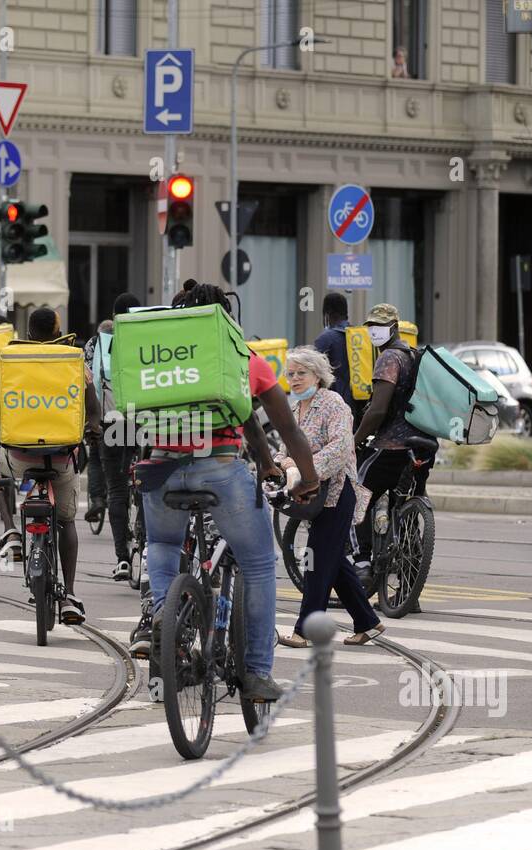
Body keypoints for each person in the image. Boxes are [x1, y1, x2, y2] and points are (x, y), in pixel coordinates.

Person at [136, 282, 320, 702]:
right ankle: (256, 671)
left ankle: (168, 623)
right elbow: (284, 426)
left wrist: (264, 457)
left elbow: (243, 417)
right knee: (257, 563)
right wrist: (308, 479)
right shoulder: (241, 356)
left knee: (162, 542)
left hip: (161, 465)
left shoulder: (157, 353)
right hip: (218, 467)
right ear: (224, 316)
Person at [0, 307, 100, 624]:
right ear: (58, 332)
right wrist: (93, 429)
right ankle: (69, 593)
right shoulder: (72, 359)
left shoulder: (12, 359)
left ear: (28, 334)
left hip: (19, 458)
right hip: (61, 458)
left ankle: (11, 529)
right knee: (66, 523)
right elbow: (91, 406)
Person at [274, 347, 383, 648]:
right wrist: (284, 464)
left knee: (317, 561)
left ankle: (305, 630)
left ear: (317, 375)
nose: (295, 379)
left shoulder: (333, 404)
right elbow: (284, 450)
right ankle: (367, 622)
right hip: (310, 494)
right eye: (291, 374)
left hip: (336, 492)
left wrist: (307, 471)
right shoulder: (294, 408)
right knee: (332, 560)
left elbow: (339, 448)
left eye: (301, 373)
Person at [353, 303, 437, 559]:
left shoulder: (388, 357)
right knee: (407, 513)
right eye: (371, 326)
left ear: (395, 327)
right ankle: (408, 592)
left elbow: (378, 411)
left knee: (358, 496)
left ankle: (362, 562)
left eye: (380, 326)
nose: (375, 331)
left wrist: (354, 441)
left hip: (393, 446)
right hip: (422, 445)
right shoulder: (413, 355)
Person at [88, 292, 142, 581]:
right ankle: (146, 549)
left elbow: (90, 384)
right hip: (142, 421)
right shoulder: (146, 337)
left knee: (117, 490)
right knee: (146, 484)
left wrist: (92, 424)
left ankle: (122, 558)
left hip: (111, 422)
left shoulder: (96, 344)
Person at [314, 292, 355, 411]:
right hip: (360, 402)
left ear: (328, 313)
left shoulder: (326, 338)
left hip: (334, 404)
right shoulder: (358, 335)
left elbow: (313, 372)